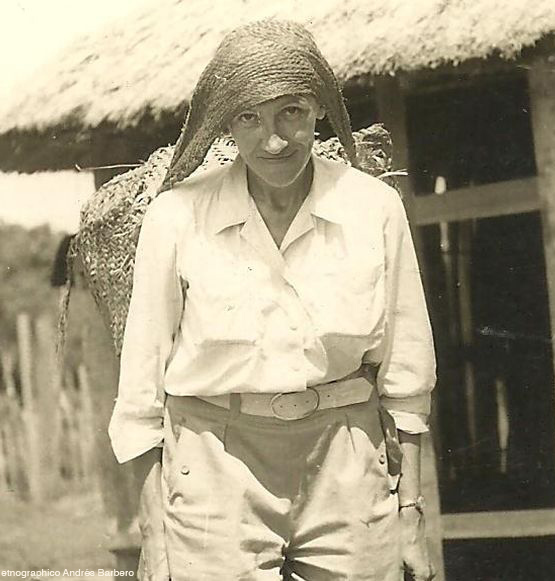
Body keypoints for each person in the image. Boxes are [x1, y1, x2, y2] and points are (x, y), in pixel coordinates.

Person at [108, 19, 436, 581]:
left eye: (291, 111)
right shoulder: (177, 216)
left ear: (320, 109)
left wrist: (409, 513)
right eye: (249, 118)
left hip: (348, 460)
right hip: (214, 465)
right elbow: (141, 388)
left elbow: (407, 374)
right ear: (225, 123)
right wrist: (155, 529)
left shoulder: (373, 208)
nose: (274, 140)